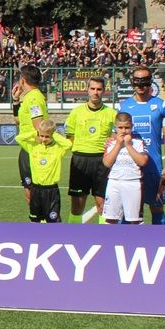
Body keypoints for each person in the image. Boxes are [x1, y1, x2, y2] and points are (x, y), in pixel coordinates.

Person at [118, 65, 165, 224]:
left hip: (154, 167)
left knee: (157, 208)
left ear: (150, 82)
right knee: (129, 211)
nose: (140, 85)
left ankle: (160, 239)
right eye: (137, 81)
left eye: (144, 81)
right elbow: (118, 136)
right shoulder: (123, 106)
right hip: (130, 168)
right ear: (132, 83)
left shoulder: (162, 106)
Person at [64, 77, 117, 223]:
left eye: (99, 89)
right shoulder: (76, 112)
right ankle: (73, 234)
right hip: (80, 160)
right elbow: (69, 135)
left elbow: (116, 135)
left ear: (104, 91)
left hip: (102, 161)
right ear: (87, 90)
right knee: (77, 204)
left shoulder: (112, 113)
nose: (95, 92)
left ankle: (103, 235)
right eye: (92, 89)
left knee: (103, 204)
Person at [15, 119, 72, 223]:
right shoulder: (33, 147)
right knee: (35, 220)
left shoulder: (58, 149)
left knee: (53, 221)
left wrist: (55, 135)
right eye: (41, 136)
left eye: (47, 136)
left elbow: (69, 144)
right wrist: (35, 133)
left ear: (52, 135)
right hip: (36, 189)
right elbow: (18, 138)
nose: (44, 139)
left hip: (51, 191)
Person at [102, 112, 148, 224]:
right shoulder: (111, 143)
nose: (123, 131)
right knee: (110, 218)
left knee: (135, 220)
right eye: (120, 127)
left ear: (132, 127)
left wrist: (128, 145)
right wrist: (118, 144)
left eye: (127, 128)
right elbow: (107, 163)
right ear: (115, 127)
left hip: (133, 183)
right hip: (114, 182)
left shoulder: (138, 143)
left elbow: (142, 161)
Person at [12, 64, 48, 207]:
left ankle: (40, 218)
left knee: (33, 191)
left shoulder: (33, 99)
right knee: (30, 189)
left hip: (33, 150)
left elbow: (39, 126)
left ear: (23, 80)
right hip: (28, 148)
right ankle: (39, 216)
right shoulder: (29, 98)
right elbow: (18, 121)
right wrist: (15, 100)